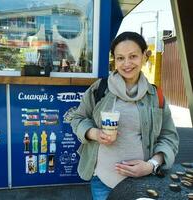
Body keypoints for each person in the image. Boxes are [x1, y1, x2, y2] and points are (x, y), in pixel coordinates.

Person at [70, 31, 179, 200]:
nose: (127, 63)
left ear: (144, 56)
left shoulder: (155, 95)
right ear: (115, 60)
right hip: (103, 180)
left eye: (133, 56)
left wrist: (151, 165)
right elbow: (77, 119)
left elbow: (169, 137)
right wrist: (95, 134)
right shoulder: (100, 89)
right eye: (120, 58)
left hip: (143, 181)